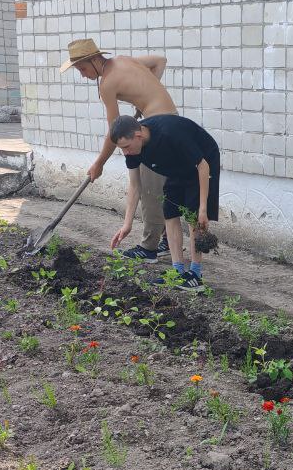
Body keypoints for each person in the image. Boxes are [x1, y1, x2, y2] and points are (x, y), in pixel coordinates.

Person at [59, 38, 176, 261]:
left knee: (149, 187)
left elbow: (114, 133)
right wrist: (145, 101)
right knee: (161, 185)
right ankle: (167, 240)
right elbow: (160, 61)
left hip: (158, 129)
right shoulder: (124, 60)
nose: (83, 75)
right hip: (171, 121)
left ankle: (149, 248)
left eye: (82, 69)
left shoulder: (107, 84)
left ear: (94, 60)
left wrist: (99, 163)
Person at [108, 114, 221, 291]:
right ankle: (177, 271)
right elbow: (135, 186)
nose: (125, 153)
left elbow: (203, 165)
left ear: (138, 136)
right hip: (176, 165)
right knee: (169, 211)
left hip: (202, 162)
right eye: (121, 149)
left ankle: (195, 275)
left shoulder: (170, 133)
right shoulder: (133, 149)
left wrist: (203, 209)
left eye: (126, 147)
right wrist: (127, 224)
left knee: (193, 217)